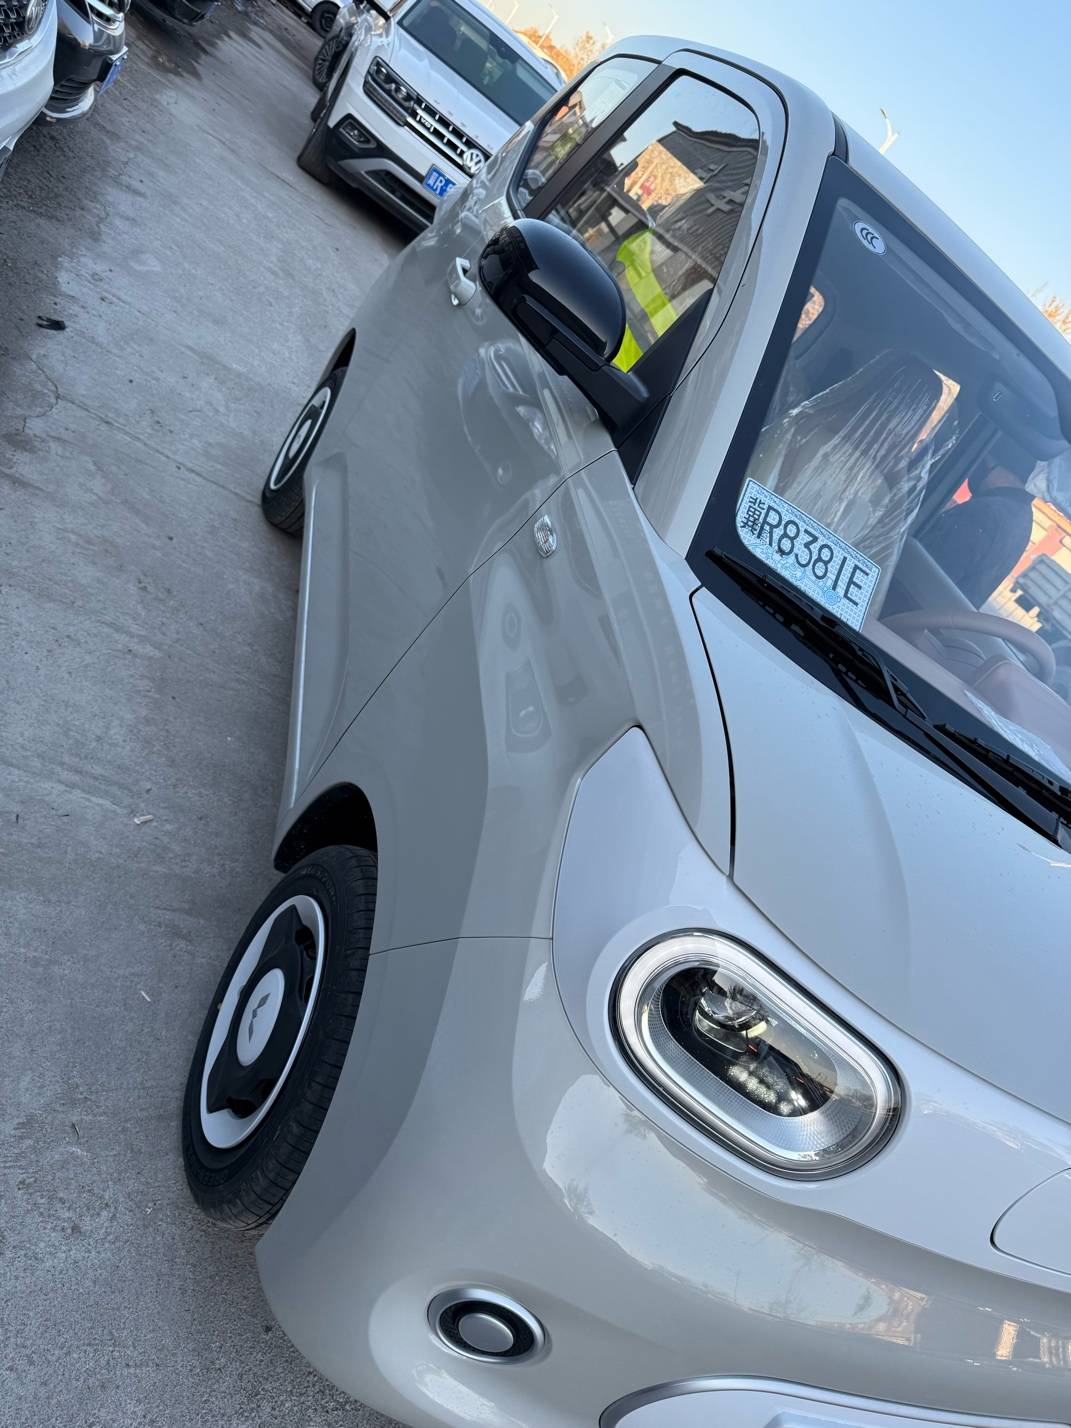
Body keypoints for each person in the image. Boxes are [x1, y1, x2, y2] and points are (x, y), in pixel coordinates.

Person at [920, 438, 1037, 607]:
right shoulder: (1022, 517)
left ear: (1000, 467)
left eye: (983, 460)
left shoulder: (986, 512)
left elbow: (927, 572)